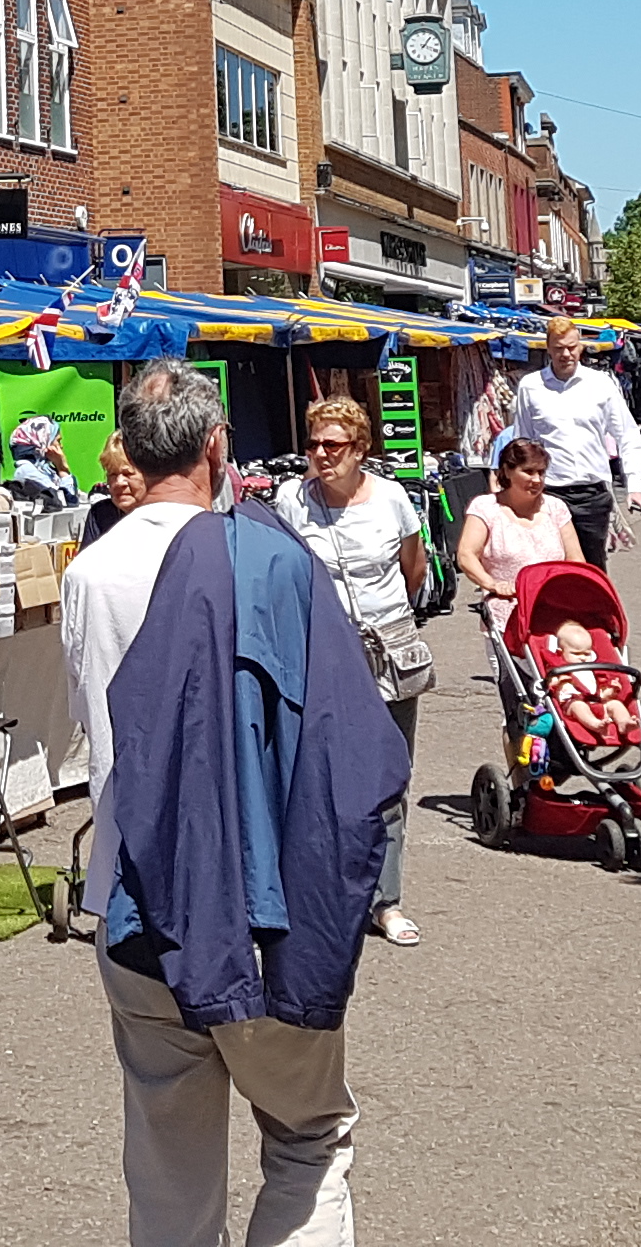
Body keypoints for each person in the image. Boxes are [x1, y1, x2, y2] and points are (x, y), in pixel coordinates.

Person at [64, 365, 375, 1247]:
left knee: (169, 1166)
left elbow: (91, 724)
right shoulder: (269, 560)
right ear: (215, 445)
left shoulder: (90, 573)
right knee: (309, 1137)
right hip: (260, 903)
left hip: (136, 895)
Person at [273, 396, 435, 945]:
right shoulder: (291, 499)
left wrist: (386, 620)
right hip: (321, 650)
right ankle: (323, 893)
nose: (321, 454)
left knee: (389, 774)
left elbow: (414, 568)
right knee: (317, 775)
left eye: (334, 445)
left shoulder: (392, 498)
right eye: (314, 444)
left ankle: (386, 901)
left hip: (388, 649)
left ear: (360, 449)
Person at [455, 439, 584, 745]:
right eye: (528, 471)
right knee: (520, 702)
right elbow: (466, 555)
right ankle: (521, 765)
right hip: (506, 620)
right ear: (508, 471)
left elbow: (576, 559)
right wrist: (491, 583)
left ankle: (567, 753)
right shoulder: (486, 508)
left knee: (564, 694)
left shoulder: (555, 508)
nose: (537, 479)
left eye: (541, 472)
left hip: (553, 620)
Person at [507, 321, 641, 567]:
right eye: (558, 348)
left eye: (571, 347)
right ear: (548, 349)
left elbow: (627, 435)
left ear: (580, 347)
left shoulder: (600, 383)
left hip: (591, 495)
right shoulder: (531, 386)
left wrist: (635, 485)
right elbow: (523, 444)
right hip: (548, 493)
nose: (566, 354)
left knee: (590, 570)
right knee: (549, 568)